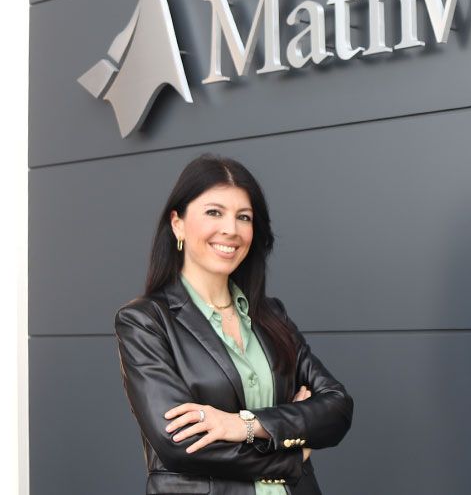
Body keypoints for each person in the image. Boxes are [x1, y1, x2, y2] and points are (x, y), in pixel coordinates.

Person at [115, 153, 353, 495]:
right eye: (214, 212)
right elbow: (181, 445)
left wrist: (243, 425)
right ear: (177, 223)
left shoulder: (272, 316)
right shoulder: (145, 322)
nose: (231, 229)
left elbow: (337, 408)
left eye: (244, 217)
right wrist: (292, 453)